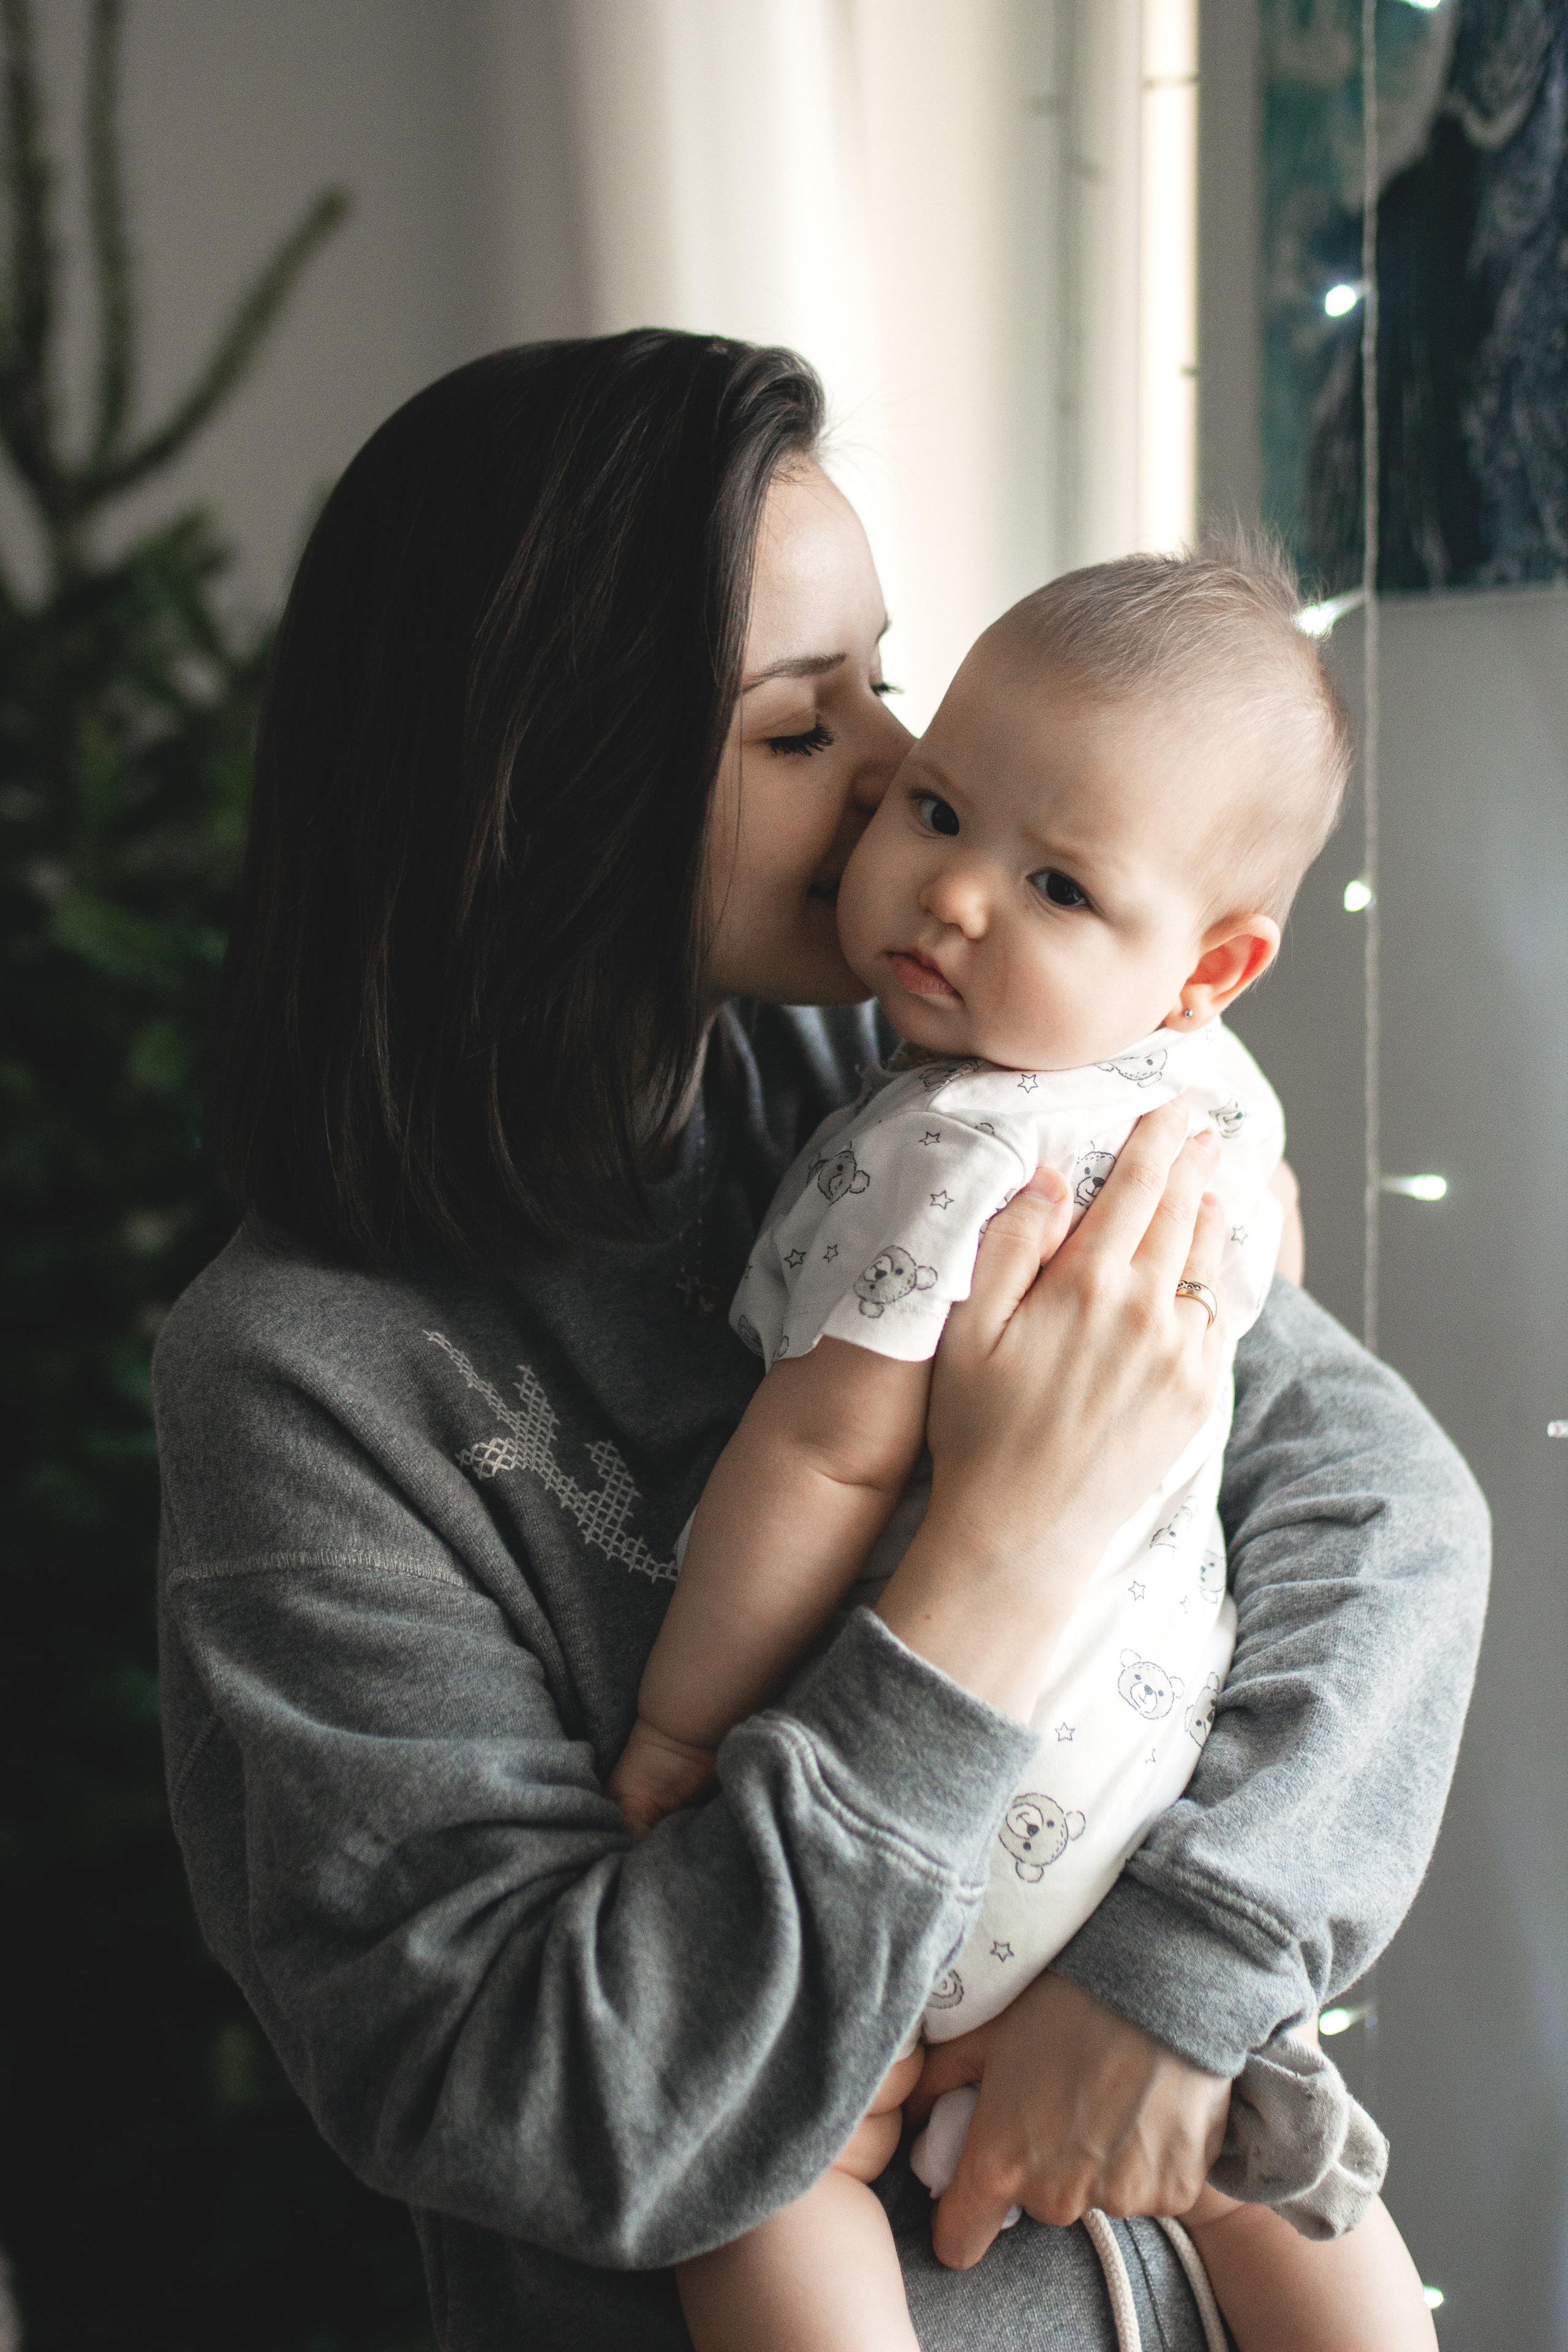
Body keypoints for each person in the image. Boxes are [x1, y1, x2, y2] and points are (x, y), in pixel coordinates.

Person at [153, 331, 1489, 2351]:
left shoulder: (923, 1080)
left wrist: (1177, 1974)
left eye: (886, 675)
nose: (900, 767)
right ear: (549, 790)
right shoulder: (313, 1381)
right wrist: (992, 1565)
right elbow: (549, 2092)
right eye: (802, 727)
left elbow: (1386, 1515)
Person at [608, 549, 1437, 2350]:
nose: (955, 897)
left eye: (1056, 883)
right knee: (1266, 2174)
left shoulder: (949, 1157)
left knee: (782, 2173)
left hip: (930, 1810)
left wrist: (676, 1731)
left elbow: (823, 1458)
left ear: (1209, 963)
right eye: (938, 811)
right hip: (1160, 1798)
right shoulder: (1209, 1102)